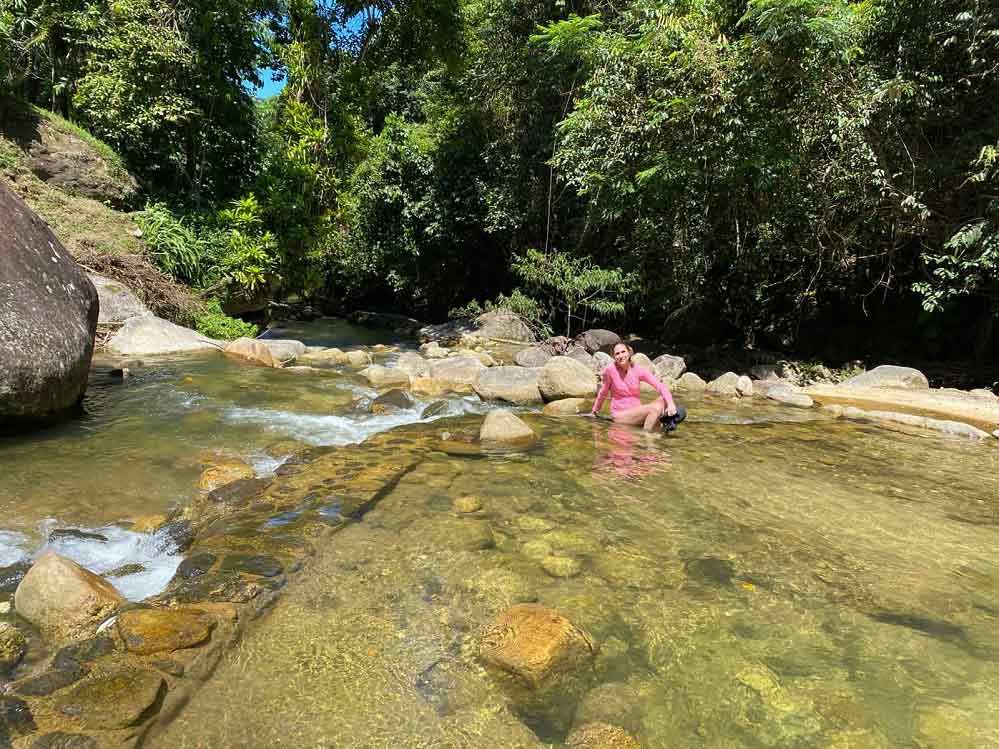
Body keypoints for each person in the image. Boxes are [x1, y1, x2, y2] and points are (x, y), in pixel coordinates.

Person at [586, 342, 685, 431]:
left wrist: (671, 404)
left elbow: (661, 387)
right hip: (620, 414)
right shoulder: (610, 370)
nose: (621, 356)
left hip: (637, 411)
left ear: (629, 353)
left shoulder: (639, 370)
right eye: (617, 353)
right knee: (654, 409)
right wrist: (594, 411)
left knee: (662, 400)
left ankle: (665, 421)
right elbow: (603, 392)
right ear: (613, 356)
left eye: (623, 352)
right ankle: (645, 437)